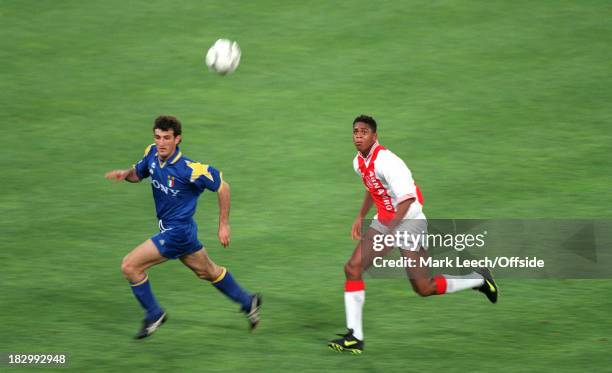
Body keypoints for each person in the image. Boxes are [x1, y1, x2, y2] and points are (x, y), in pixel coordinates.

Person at [328, 115, 498, 354]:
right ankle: (355, 336)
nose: (358, 136)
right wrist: (360, 215)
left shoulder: (389, 162)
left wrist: (390, 230)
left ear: (375, 136)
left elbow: (408, 199)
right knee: (356, 269)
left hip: (409, 222)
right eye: (355, 131)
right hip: (387, 222)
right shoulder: (359, 162)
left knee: (422, 287)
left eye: (364, 132)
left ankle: (478, 279)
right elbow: (372, 187)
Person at [105, 115, 261, 339]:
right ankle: (249, 302)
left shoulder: (190, 169)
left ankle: (154, 314)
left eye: (167, 138)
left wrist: (223, 225)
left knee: (130, 266)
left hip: (177, 233)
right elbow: (138, 174)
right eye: (158, 137)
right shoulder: (151, 154)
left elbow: (223, 187)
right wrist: (125, 174)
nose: (161, 142)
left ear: (177, 139)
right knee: (208, 271)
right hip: (181, 232)